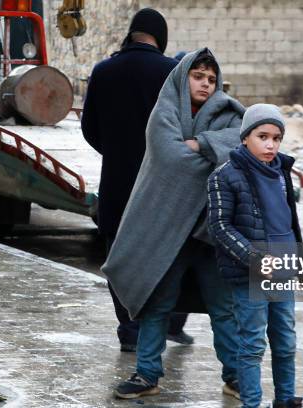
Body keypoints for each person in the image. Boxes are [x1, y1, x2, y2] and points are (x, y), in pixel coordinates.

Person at [102, 48, 244, 400]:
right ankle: (148, 373)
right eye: (198, 77)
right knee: (157, 302)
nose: (206, 85)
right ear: (184, 78)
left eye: (212, 79)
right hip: (167, 231)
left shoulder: (228, 113)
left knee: (223, 308)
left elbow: (243, 146)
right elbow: (170, 159)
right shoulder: (164, 113)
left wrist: (204, 143)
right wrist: (212, 156)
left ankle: (236, 375)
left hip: (210, 232)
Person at [81, 8, 192, 353]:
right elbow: (184, 127)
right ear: (161, 37)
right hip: (160, 183)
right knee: (165, 255)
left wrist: (115, 150)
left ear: (132, 33)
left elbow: (89, 128)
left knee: (119, 255)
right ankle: (165, 323)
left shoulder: (103, 71)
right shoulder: (170, 72)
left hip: (116, 182)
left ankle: (129, 328)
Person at [207, 104, 303, 408]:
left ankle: (286, 399)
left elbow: (289, 221)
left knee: (286, 342)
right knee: (252, 345)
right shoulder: (224, 176)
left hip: (284, 269)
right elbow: (219, 226)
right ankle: (251, 403)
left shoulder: (281, 172)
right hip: (251, 273)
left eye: (276, 138)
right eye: (262, 136)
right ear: (245, 137)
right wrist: (253, 258)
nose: (270, 144)